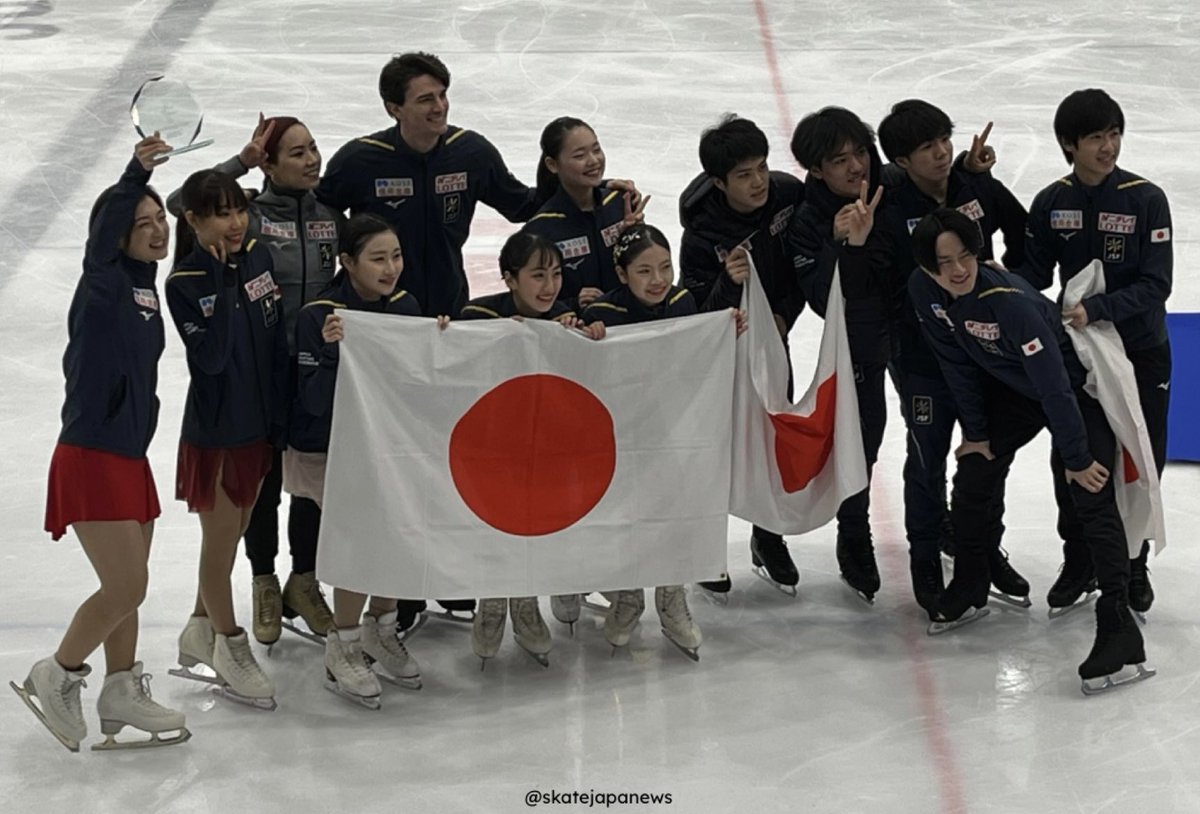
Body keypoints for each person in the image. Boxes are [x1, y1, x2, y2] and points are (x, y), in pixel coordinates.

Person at [909, 208, 1154, 694]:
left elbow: (1056, 387)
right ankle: (972, 581)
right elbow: (956, 364)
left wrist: (1078, 457)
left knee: (1090, 489)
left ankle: (1118, 621)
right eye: (945, 262)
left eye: (966, 256)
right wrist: (978, 433)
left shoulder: (1010, 302)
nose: (959, 270)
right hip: (1017, 394)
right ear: (927, 270)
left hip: (1073, 390)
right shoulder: (925, 294)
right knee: (975, 472)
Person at [13, 135, 189, 751]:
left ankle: (120, 688)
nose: (158, 227)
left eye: (160, 216)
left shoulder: (144, 289)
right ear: (116, 233)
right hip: (92, 453)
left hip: (128, 455)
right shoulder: (103, 284)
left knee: (130, 582)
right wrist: (134, 171)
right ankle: (57, 673)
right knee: (127, 586)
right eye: (142, 221)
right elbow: (101, 242)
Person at [177, 115, 341, 647]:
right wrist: (240, 163)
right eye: (295, 153)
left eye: (313, 148)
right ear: (267, 165)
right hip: (252, 379)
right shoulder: (246, 218)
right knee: (262, 490)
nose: (311, 159)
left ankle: (305, 579)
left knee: (310, 482)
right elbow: (187, 200)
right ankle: (264, 581)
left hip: (307, 369)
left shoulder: (330, 215)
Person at [1020, 89, 1172, 619]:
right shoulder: (1051, 202)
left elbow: (1157, 285)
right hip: (1078, 357)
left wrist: (1100, 307)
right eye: (1095, 138)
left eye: (1114, 135)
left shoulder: (1145, 199)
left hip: (1140, 352)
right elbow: (1032, 275)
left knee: (1139, 458)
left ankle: (1135, 563)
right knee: (1074, 455)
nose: (1108, 147)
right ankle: (1078, 558)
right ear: (1069, 144)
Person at [876, 99, 1031, 614]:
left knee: (989, 454)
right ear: (901, 160)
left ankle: (985, 548)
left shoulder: (974, 186)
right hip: (922, 357)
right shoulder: (888, 204)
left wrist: (1012, 289)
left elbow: (1023, 232)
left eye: (944, 139)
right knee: (928, 455)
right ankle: (925, 553)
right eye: (926, 147)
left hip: (988, 351)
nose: (942, 153)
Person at [288, 215, 432, 708]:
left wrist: (438, 341)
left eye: (395, 256)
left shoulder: (405, 305)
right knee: (362, 537)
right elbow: (311, 402)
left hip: (385, 445)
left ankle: (380, 628)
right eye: (378, 258)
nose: (391, 268)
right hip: (328, 449)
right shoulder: (318, 316)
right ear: (347, 262)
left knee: (393, 532)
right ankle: (342, 644)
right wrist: (330, 353)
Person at [582, 224, 745, 659]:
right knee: (625, 517)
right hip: (619, 438)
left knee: (673, 513)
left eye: (665, 268)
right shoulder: (605, 313)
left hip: (672, 433)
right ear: (622, 273)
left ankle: (671, 597)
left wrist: (724, 330)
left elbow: (698, 345)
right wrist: (581, 331)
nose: (658, 279)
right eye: (644, 271)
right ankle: (628, 593)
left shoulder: (680, 301)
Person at [165, 169, 289, 710]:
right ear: (193, 221)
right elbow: (211, 360)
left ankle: (199, 626)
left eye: (239, 209)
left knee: (233, 536)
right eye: (220, 213)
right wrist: (220, 281)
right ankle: (229, 644)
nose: (235, 222)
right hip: (216, 434)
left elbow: (271, 337)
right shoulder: (185, 282)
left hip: (258, 428)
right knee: (219, 548)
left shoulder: (258, 255)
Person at [458, 231, 605, 667]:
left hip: (542, 449)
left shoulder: (564, 318)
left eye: (557, 274)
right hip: (489, 447)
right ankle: (491, 598)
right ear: (509, 279)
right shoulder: (477, 315)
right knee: (493, 521)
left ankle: (524, 599)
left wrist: (588, 336)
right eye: (538, 275)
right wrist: (444, 334)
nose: (550, 286)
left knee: (533, 518)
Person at [679, 113, 805, 598]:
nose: (758, 182)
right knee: (714, 451)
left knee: (773, 440)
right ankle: (705, 547)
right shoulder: (703, 235)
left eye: (761, 168)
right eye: (743, 175)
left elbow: (801, 265)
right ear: (718, 182)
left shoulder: (788, 195)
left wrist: (785, 316)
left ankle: (768, 538)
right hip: (718, 359)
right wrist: (725, 285)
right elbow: (693, 311)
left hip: (773, 344)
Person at [318, 51, 541, 319]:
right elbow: (317, 211)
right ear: (394, 108)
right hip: (377, 313)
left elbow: (521, 205)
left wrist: (592, 188)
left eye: (442, 95)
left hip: (447, 308)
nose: (439, 107)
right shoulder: (359, 160)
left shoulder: (471, 153)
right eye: (426, 99)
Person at [787, 107, 890, 604]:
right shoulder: (810, 220)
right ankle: (854, 535)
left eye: (861, 153)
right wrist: (840, 242)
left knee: (938, 441)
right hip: (860, 344)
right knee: (863, 444)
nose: (856, 167)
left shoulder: (893, 185)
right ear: (816, 170)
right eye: (840, 160)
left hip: (917, 334)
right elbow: (819, 299)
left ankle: (950, 528)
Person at [522, 116, 646, 311]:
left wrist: (635, 237)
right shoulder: (540, 230)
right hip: (576, 333)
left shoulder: (619, 205)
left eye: (596, 149)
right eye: (580, 156)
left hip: (628, 324)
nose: (594, 161)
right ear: (552, 164)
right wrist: (572, 304)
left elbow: (646, 268)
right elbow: (528, 300)